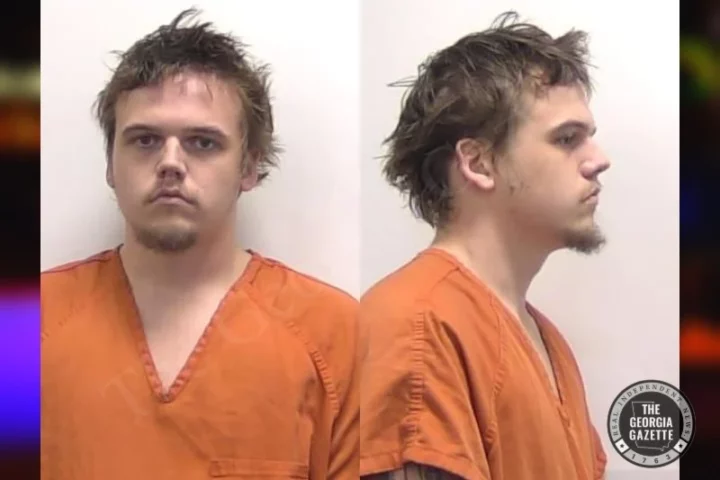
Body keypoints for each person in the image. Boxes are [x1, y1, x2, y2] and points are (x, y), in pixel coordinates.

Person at [41, 9, 358, 480]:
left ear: (248, 167)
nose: (170, 163)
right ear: (110, 164)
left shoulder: (334, 333)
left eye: (203, 143)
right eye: (145, 140)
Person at [360, 12, 609, 480]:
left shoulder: (549, 344)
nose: (598, 160)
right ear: (478, 163)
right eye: (567, 139)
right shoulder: (417, 328)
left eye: (588, 139)